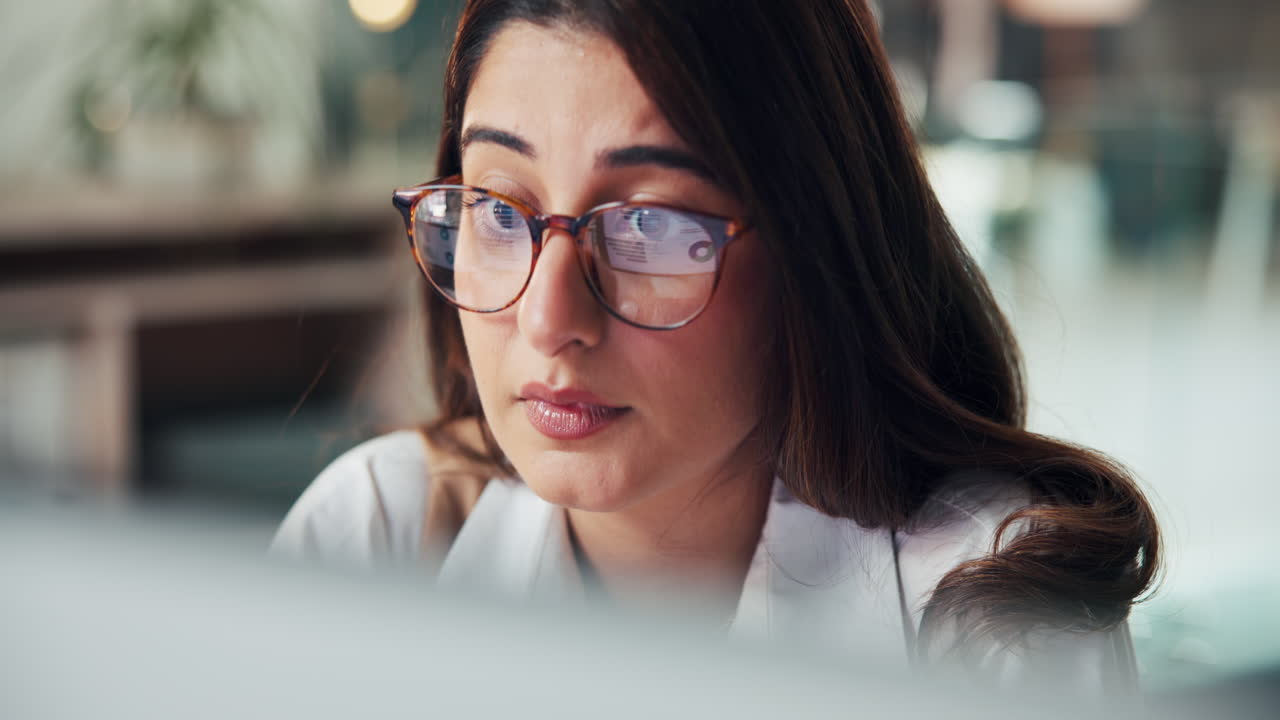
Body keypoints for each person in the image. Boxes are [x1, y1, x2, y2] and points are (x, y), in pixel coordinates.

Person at [271, 0, 1160, 699]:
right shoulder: (375, 537)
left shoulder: (990, 614)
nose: (549, 321)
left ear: (816, 251)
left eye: (650, 225)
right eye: (501, 209)